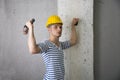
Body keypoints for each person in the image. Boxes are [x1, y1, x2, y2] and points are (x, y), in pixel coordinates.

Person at [25, 15, 79, 80]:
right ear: (49, 29)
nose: (59, 29)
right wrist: (31, 29)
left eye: (60, 27)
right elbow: (32, 50)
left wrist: (73, 25)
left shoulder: (60, 45)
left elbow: (73, 41)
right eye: (55, 27)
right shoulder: (46, 44)